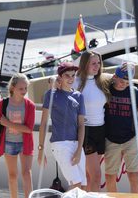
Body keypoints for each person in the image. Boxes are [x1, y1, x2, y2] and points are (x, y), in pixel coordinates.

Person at [38, 62, 87, 190]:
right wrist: (40, 149)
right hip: (60, 144)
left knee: (82, 187)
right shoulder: (51, 95)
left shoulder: (79, 96)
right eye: (67, 75)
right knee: (76, 185)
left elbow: (81, 125)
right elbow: (43, 124)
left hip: (77, 144)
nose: (71, 78)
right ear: (60, 77)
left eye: (73, 75)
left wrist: (78, 149)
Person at [0, 73, 35, 198]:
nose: (24, 91)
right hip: (8, 143)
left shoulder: (30, 105)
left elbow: (29, 129)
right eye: (21, 88)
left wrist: (8, 123)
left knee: (26, 174)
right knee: (13, 176)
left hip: (25, 144)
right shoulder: (2, 104)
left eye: (25, 88)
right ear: (12, 88)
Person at [73, 51, 110, 192]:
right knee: (96, 175)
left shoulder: (102, 81)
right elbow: (56, 82)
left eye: (99, 63)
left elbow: (123, 76)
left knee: (90, 175)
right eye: (93, 63)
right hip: (85, 131)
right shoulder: (76, 82)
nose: (97, 66)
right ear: (85, 64)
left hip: (100, 130)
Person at [104, 62, 138, 193]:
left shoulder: (134, 92)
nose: (124, 85)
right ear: (115, 77)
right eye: (122, 81)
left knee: (134, 176)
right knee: (110, 176)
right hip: (110, 139)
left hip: (130, 139)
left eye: (128, 83)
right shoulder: (107, 90)